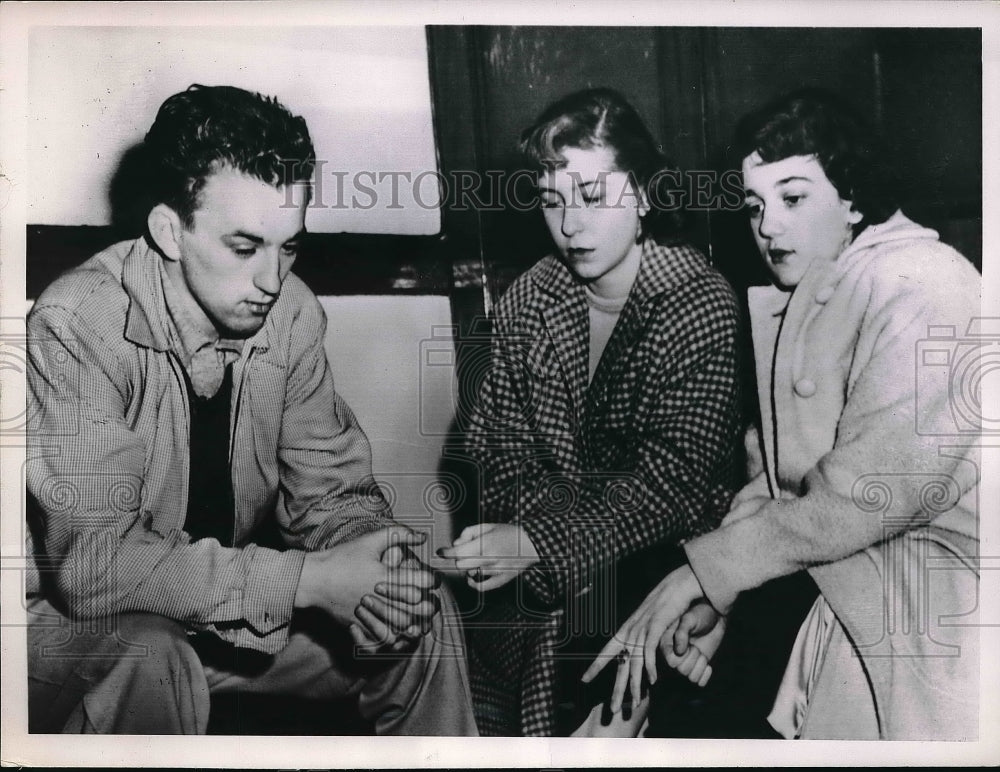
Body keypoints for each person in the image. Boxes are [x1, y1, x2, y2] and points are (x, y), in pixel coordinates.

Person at [24, 84, 477, 735]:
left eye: (289, 246)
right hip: (63, 630)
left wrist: (370, 564)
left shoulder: (289, 314)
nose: (272, 280)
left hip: (206, 613)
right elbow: (94, 569)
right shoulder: (78, 323)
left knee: (422, 620)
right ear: (169, 232)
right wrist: (308, 580)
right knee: (154, 656)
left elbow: (332, 496)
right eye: (245, 247)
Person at [584, 88, 981, 740]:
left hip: (944, 611)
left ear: (852, 196)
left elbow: (860, 500)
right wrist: (718, 592)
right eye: (755, 205)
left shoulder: (924, 283)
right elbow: (775, 483)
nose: (768, 226)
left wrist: (701, 575)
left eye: (793, 198)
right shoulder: (826, 288)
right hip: (858, 588)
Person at [439, 88, 743, 736]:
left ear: (642, 193)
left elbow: (674, 487)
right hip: (551, 571)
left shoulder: (699, 301)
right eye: (553, 201)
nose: (570, 224)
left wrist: (542, 544)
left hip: (669, 562)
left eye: (592, 196)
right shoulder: (529, 300)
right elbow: (495, 452)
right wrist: (543, 543)